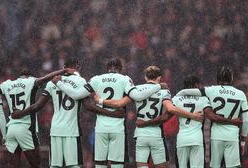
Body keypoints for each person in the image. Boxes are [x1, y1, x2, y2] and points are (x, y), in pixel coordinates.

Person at [52, 59, 192, 168]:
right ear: (121, 69)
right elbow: (136, 96)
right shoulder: (125, 79)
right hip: (118, 128)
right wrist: (157, 86)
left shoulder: (95, 79)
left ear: (108, 69)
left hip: (101, 128)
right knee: (117, 163)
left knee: (100, 163)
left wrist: (59, 84)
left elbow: (76, 94)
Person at [11, 57, 125, 168]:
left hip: (55, 129)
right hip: (71, 131)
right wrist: (112, 114)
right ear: (78, 68)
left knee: (55, 165)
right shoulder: (80, 81)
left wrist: (20, 113)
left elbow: (37, 106)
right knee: (73, 165)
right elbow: (89, 107)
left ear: (64, 67)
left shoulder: (52, 82)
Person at [93, 66, 204, 168]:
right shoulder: (163, 91)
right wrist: (192, 115)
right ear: (159, 78)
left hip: (141, 135)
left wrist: (100, 100)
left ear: (145, 77)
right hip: (157, 135)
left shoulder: (136, 90)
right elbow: (170, 109)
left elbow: (119, 104)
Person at [0, 67, 72, 168]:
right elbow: (46, 78)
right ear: (29, 76)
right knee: (37, 165)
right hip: (26, 128)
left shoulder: (7, 84)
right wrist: (62, 71)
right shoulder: (31, 81)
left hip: (11, 129)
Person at [176, 66, 248, 168]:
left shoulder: (210, 90)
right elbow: (245, 120)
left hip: (216, 135)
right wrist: (243, 141)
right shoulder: (240, 94)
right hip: (233, 136)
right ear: (231, 78)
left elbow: (189, 91)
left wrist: (180, 93)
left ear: (218, 79)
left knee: (215, 166)